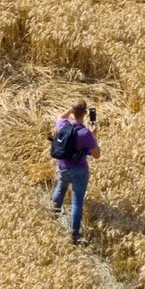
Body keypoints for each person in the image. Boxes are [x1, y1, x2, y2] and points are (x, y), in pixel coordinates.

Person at [48, 103, 97, 244]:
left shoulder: (63, 125)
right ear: (85, 113)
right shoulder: (85, 133)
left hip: (62, 167)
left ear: (73, 112)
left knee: (61, 187)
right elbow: (97, 154)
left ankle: (52, 215)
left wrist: (71, 108)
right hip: (79, 170)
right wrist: (93, 138)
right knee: (77, 202)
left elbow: (60, 116)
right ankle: (74, 234)